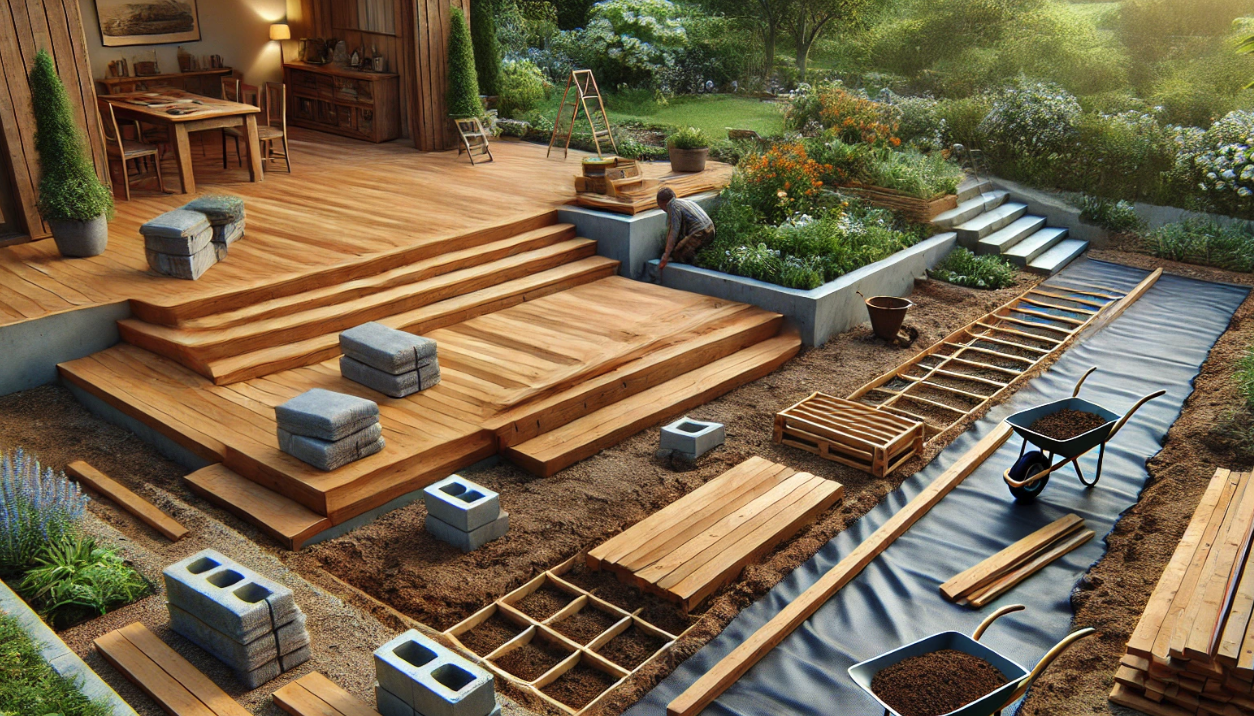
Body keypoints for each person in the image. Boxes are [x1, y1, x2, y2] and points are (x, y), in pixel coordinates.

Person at [656, 188, 715, 276]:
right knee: (682, 246)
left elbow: (674, 231)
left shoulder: (672, 207)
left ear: (662, 203)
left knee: (678, 254)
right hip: (710, 229)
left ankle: (696, 264)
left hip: (700, 232)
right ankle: (697, 255)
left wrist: (666, 254)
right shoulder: (684, 201)